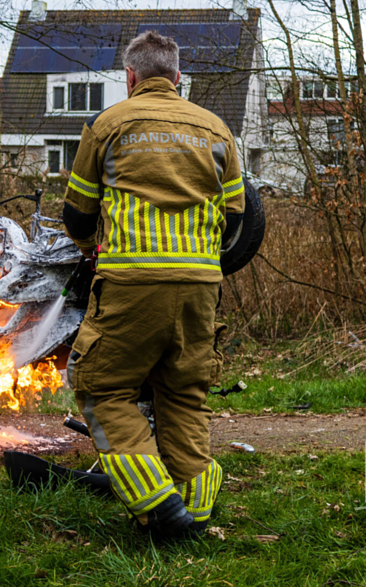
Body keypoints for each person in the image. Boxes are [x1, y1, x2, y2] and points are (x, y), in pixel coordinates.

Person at [61, 30, 246, 537]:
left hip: (132, 284)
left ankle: (158, 507)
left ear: (130, 77)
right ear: (178, 77)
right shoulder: (216, 129)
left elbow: (77, 217)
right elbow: (236, 219)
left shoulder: (108, 124)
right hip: (201, 285)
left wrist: (93, 247)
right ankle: (196, 510)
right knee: (184, 393)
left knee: (102, 387)